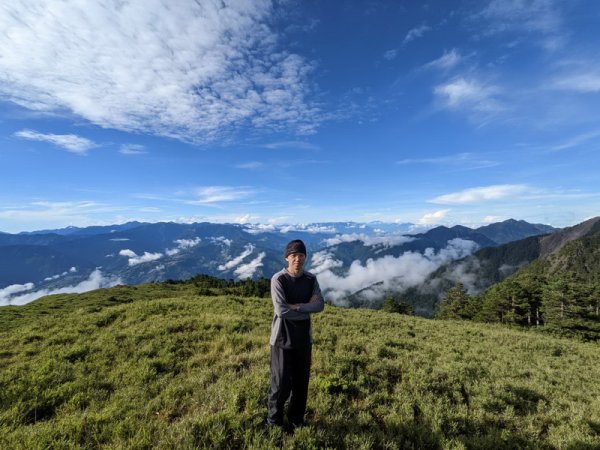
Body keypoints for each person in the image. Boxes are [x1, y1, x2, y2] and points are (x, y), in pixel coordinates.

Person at [267, 239, 324, 429]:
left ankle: (295, 420)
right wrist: (307, 309)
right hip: (282, 340)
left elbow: (320, 305)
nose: (297, 259)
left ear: (305, 257)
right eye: (293, 256)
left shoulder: (311, 279)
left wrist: (297, 307)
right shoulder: (278, 279)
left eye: (301, 255)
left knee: (301, 384)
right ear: (286, 258)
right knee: (280, 384)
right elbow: (281, 310)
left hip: (303, 340)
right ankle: (273, 423)